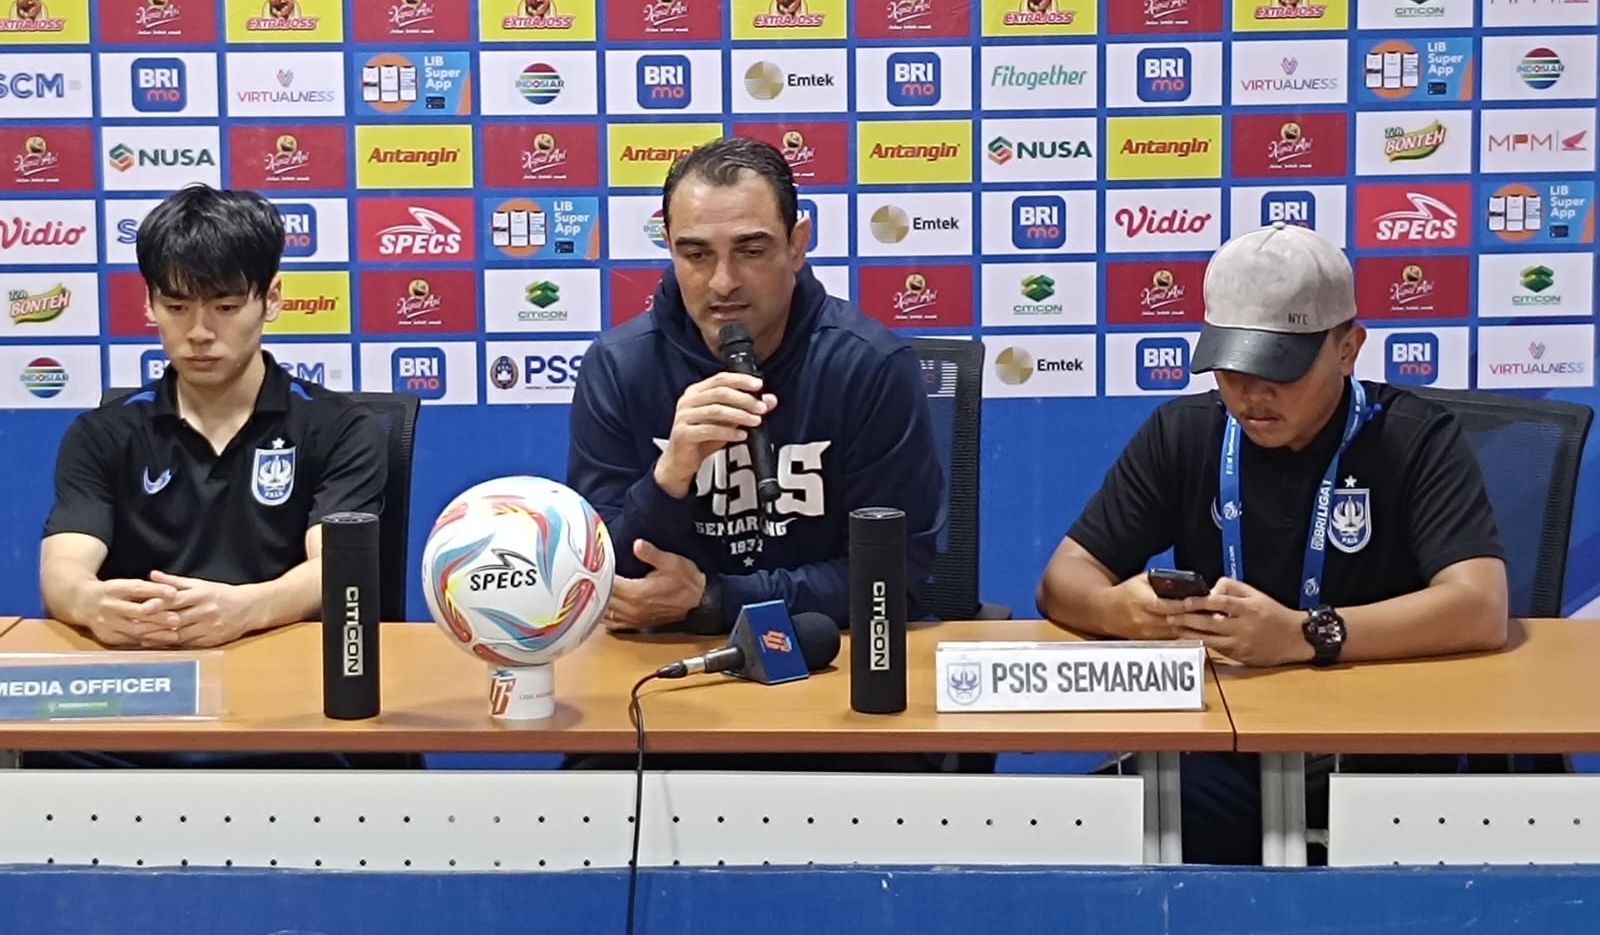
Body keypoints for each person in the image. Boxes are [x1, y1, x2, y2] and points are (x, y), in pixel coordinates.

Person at [1036, 222, 1508, 863]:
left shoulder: (1417, 439)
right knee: (1090, 837)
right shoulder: (1185, 432)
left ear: (1348, 349)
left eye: (1279, 370)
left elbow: (1479, 607)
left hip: (1376, 746)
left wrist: (1304, 634)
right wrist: (1120, 610)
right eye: (1232, 367)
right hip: (1222, 749)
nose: (1251, 394)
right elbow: (1064, 579)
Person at [32, 185, 386, 768]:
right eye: (176, 307)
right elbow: (63, 569)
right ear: (149, 304)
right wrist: (93, 604)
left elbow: (337, 570)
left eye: (224, 306)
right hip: (145, 702)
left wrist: (247, 608)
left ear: (270, 299)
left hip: (289, 704)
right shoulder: (102, 433)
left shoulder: (342, 429)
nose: (199, 332)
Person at [567, 135, 946, 635]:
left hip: (829, 662)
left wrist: (715, 599)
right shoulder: (619, 368)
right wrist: (670, 477)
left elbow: (893, 579)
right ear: (669, 246)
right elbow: (605, 579)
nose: (723, 282)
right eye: (696, 255)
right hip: (662, 665)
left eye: (749, 250)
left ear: (796, 244)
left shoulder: (868, 367)